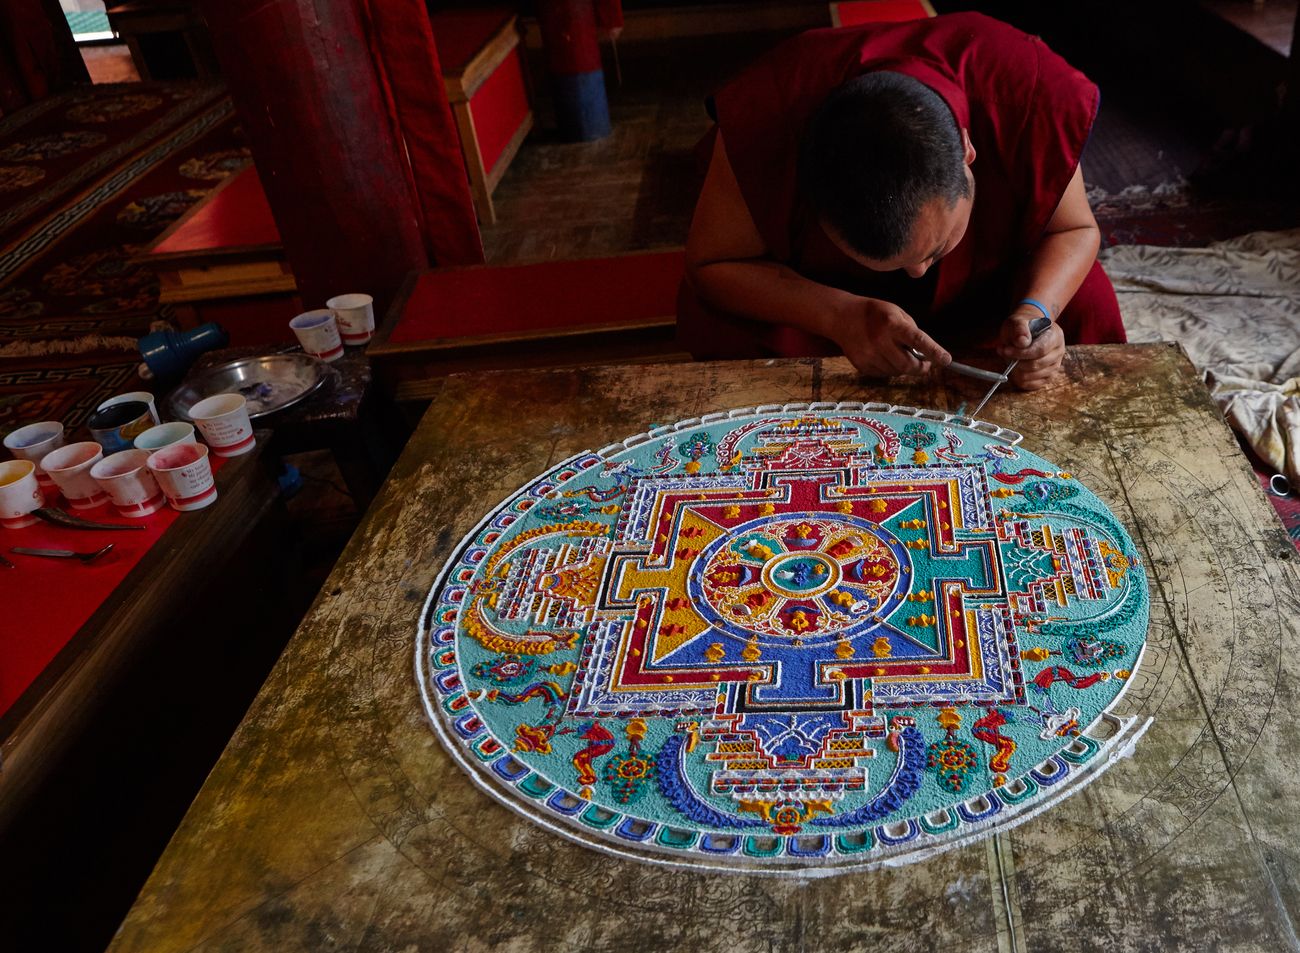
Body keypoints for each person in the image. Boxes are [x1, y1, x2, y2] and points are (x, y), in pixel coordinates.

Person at [679, 12, 1126, 390]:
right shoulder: (772, 113)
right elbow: (713, 265)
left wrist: (1037, 312)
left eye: (932, 250)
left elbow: (1074, 228)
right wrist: (838, 315)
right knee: (718, 321)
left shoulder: (1024, 88)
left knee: (1088, 302)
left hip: (987, 290)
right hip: (828, 295)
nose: (915, 272)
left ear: (968, 152)